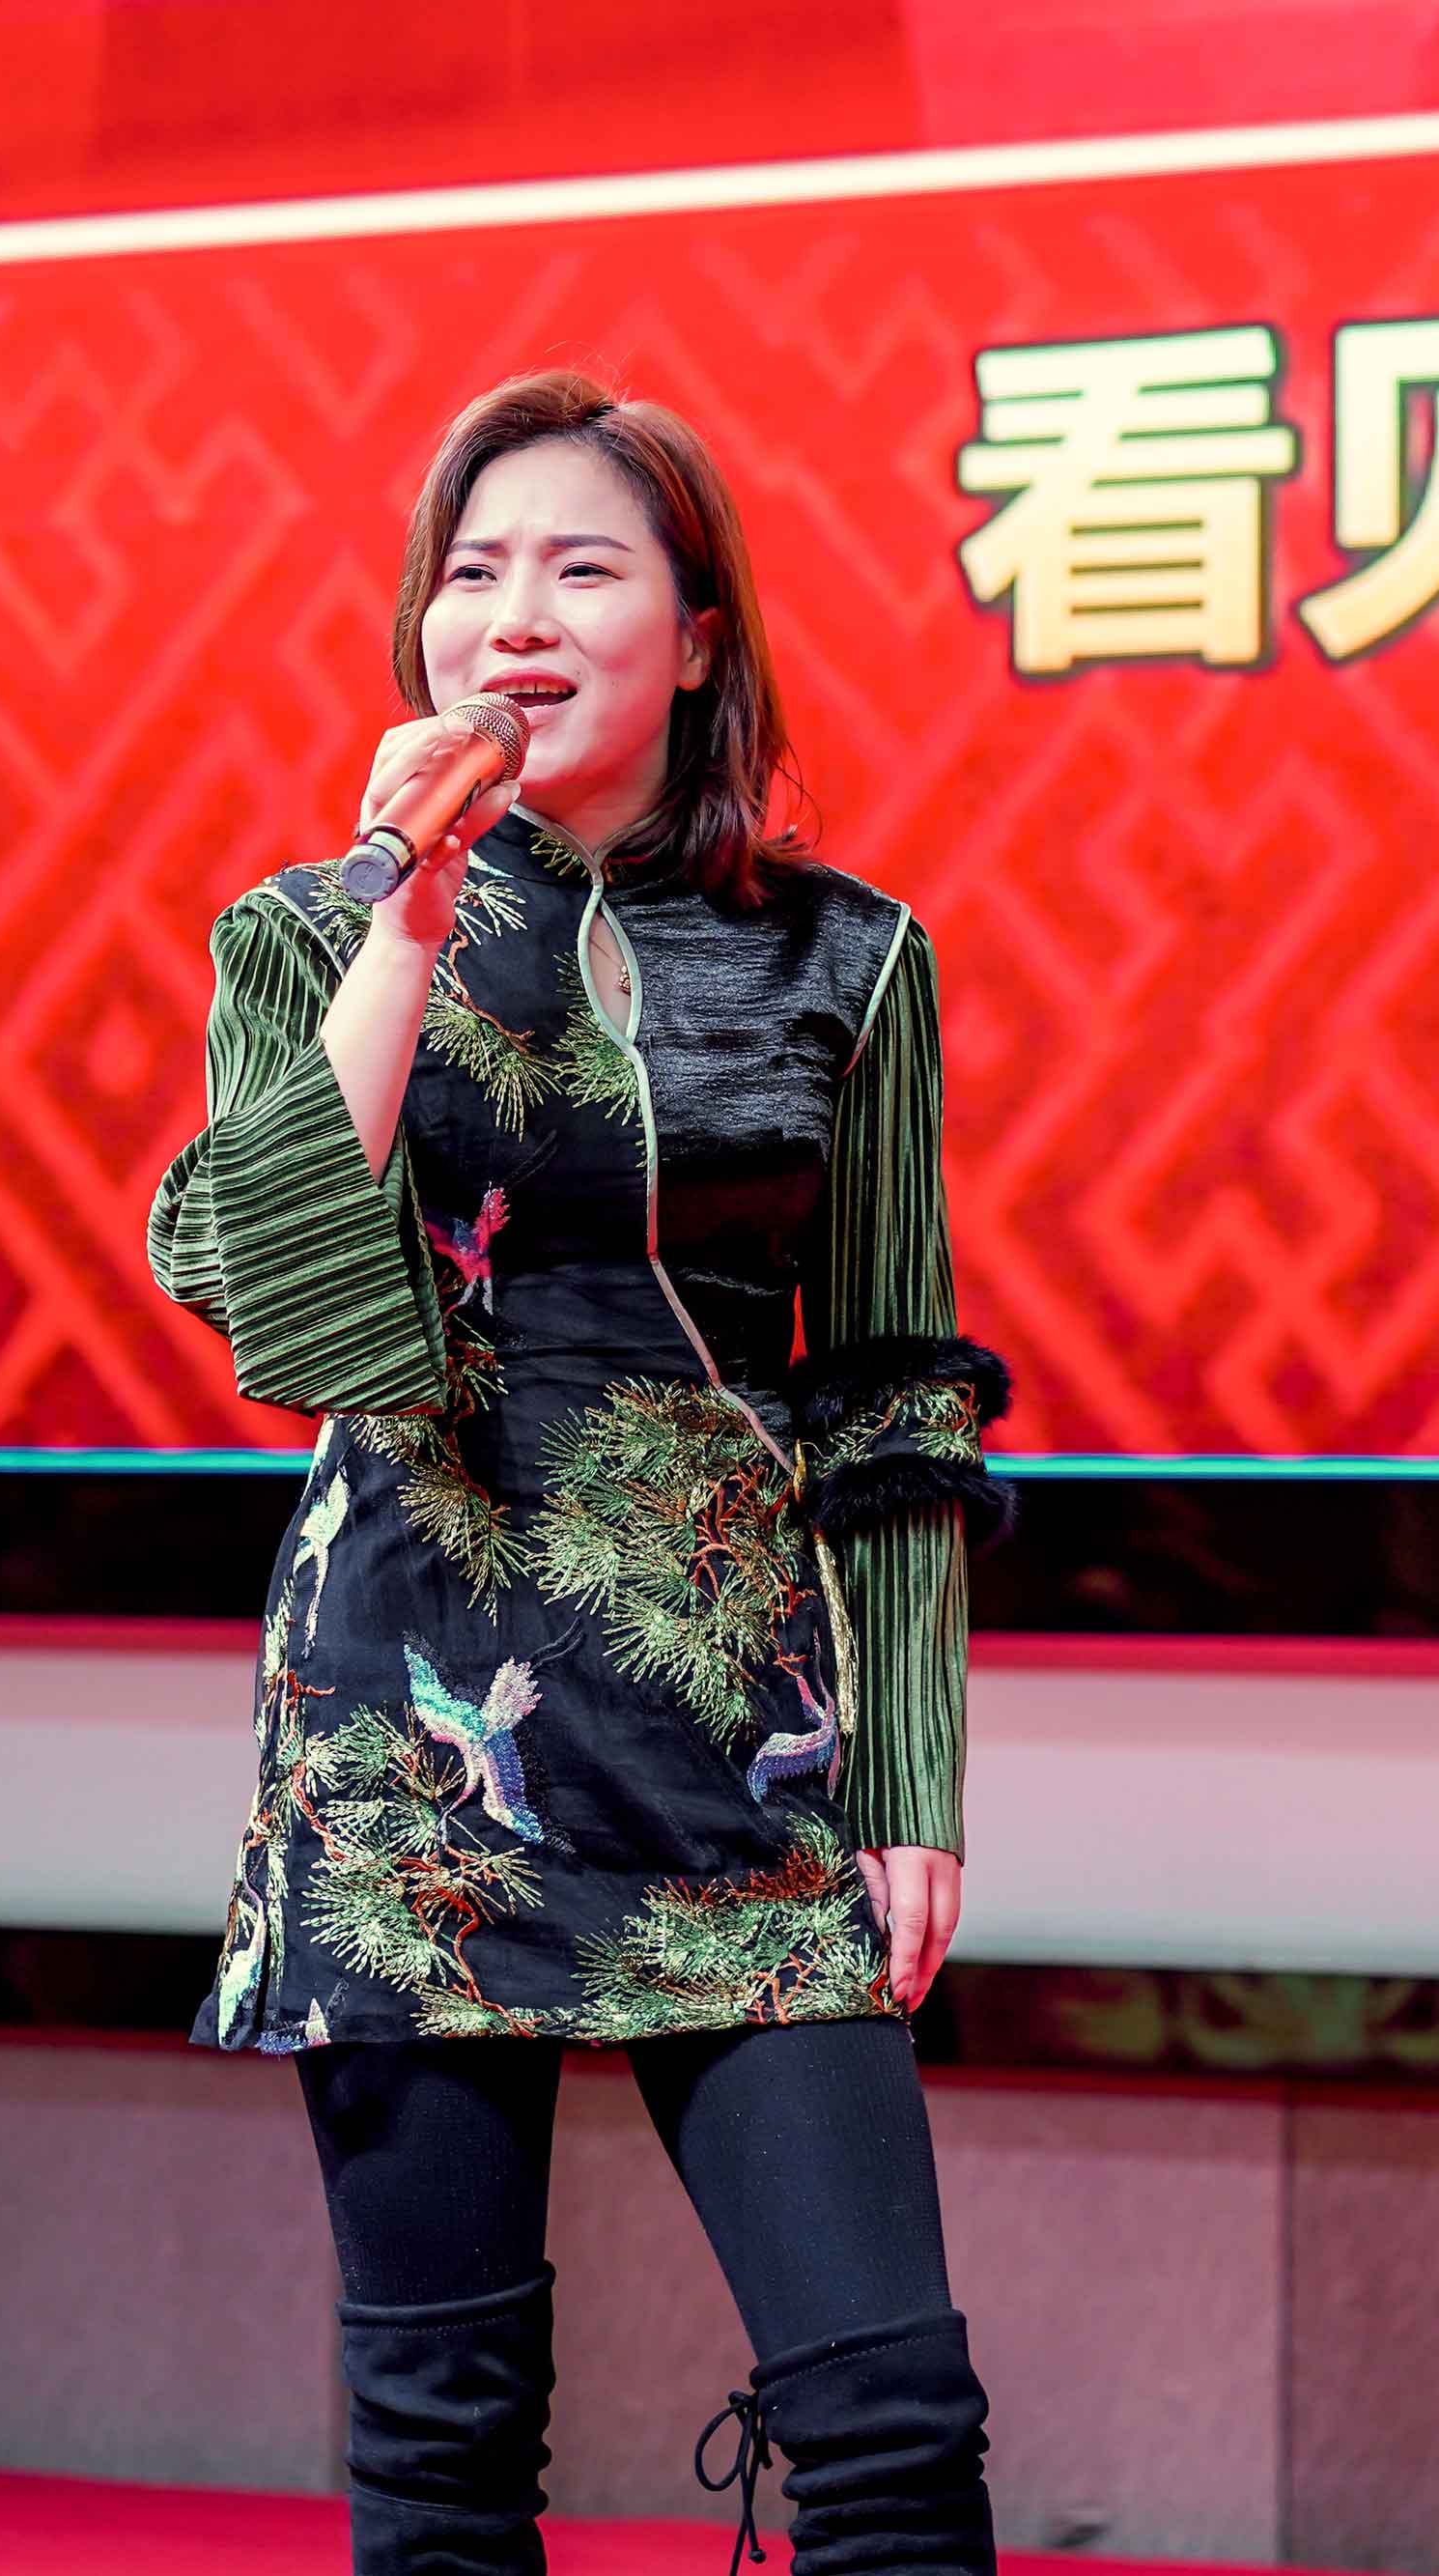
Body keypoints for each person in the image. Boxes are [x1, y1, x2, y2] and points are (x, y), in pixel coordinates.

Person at [148, 368, 1013, 2575]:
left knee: (891, 2425)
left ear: (696, 637)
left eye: (578, 568)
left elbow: (889, 1389)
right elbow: (280, 1312)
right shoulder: (303, 935)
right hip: (410, 1738)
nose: (511, 616)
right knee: (444, 2442)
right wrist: (405, 916)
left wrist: (912, 1770)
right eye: (470, 572)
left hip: (739, 1742)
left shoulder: (849, 957)